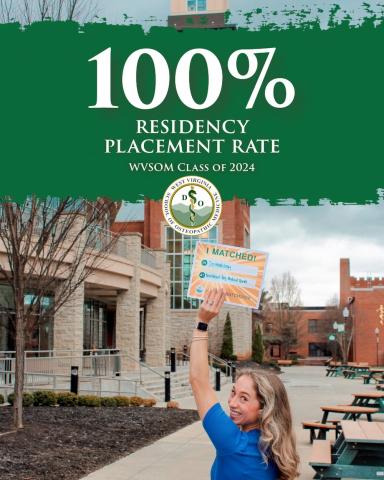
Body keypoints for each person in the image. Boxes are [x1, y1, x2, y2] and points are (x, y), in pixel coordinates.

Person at [189, 288, 300, 480]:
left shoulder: (234, 445)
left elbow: (199, 381)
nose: (232, 403)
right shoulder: (275, 448)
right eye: (233, 393)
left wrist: (202, 323)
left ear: (263, 409)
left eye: (244, 398)